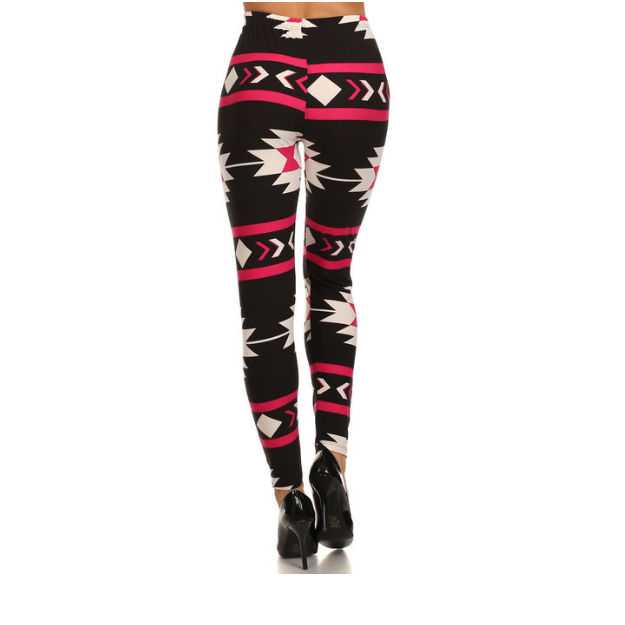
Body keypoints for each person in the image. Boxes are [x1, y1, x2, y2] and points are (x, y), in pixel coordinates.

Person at [217, 2, 389, 569]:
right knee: (332, 274)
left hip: (261, 71)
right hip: (354, 72)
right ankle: (330, 465)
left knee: (264, 296)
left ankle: (291, 497)